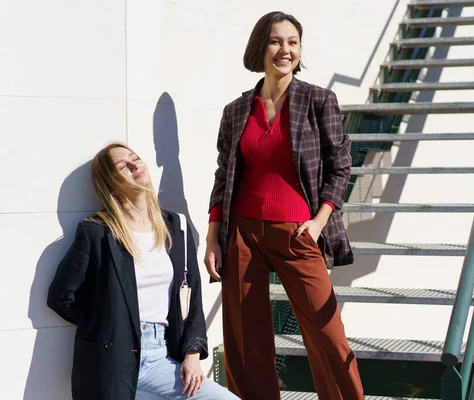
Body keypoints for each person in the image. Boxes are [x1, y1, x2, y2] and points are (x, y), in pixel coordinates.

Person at [204, 11, 365, 400]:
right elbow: (224, 174)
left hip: (298, 232)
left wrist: (318, 222)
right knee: (246, 340)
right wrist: (213, 236)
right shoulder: (236, 110)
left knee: (328, 335)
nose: (286, 50)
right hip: (242, 232)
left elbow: (341, 166)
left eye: (293, 42)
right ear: (261, 47)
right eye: (277, 41)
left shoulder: (318, 100)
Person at [47, 143, 238, 400]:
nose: (135, 165)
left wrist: (192, 355)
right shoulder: (97, 232)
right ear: (110, 183)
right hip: (113, 366)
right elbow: (61, 296)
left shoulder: (175, 227)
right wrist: (109, 325)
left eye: (135, 158)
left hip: (163, 357)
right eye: (123, 166)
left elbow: (191, 295)